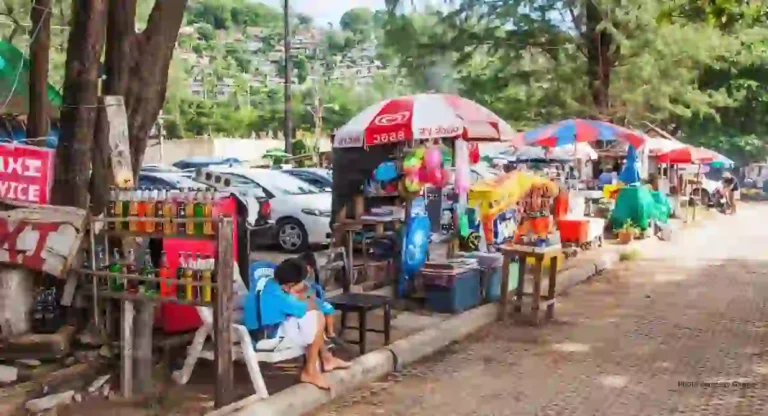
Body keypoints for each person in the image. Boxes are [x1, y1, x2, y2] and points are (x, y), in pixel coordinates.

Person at [261, 259, 351, 390]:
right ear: (291, 284)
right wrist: (309, 300)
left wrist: (306, 299)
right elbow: (308, 305)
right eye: (301, 281)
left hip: (277, 325)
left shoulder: (274, 285)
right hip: (271, 336)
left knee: (316, 317)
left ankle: (327, 358)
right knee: (317, 318)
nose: (303, 284)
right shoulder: (277, 294)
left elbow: (304, 303)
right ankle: (310, 370)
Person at [296, 251, 341, 343]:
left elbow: (314, 290)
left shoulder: (310, 276)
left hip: (312, 299)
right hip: (303, 300)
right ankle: (324, 335)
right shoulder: (297, 276)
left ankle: (330, 333)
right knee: (319, 311)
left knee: (328, 308)